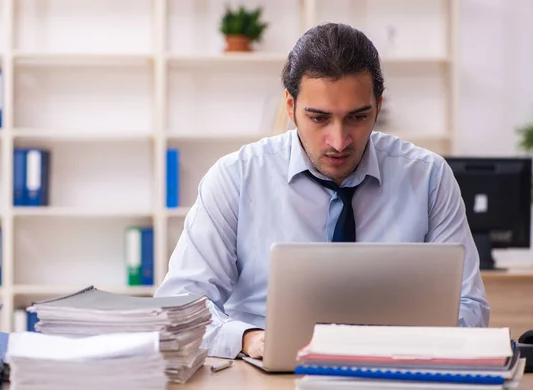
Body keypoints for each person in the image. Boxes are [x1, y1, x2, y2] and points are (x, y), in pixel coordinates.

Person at [154, 22, 490, 360]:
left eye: (358, 117)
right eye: (318, 118)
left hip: (395, 371)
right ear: (290, 107)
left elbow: (470, 306)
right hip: (266, 372)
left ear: (378, 105)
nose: (339, 140)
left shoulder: (428, 177)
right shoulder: (235, 178)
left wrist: (416, 344)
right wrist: (247, 338)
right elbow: (181, 308)